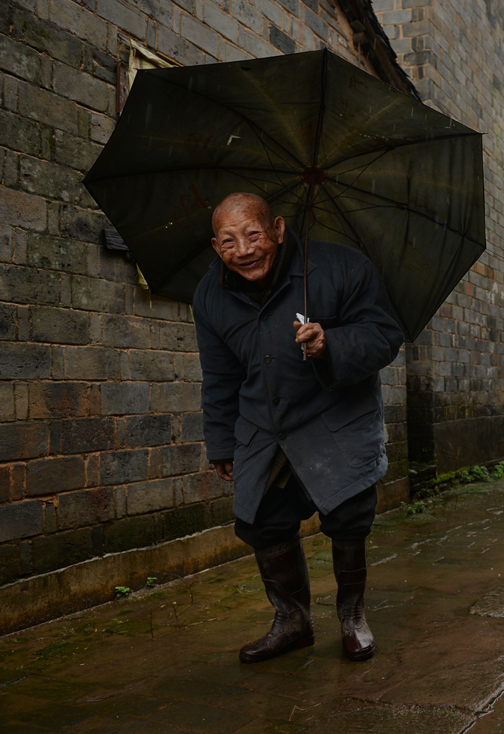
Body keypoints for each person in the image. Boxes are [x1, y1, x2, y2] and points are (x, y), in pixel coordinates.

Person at [193, 192, 403, 664]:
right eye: (229, 241)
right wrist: (222, 442)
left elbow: (385, 335)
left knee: (348, 517)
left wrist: (331, 342)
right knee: (261, 519)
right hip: (264, 426)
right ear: (214, 245)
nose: (243, 250)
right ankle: (293, 621)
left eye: (253, 235)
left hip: (337, 419)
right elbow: (220, 375)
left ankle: (352, 617)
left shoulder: (343, 268)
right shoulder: (210, 295)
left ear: (279, 229)